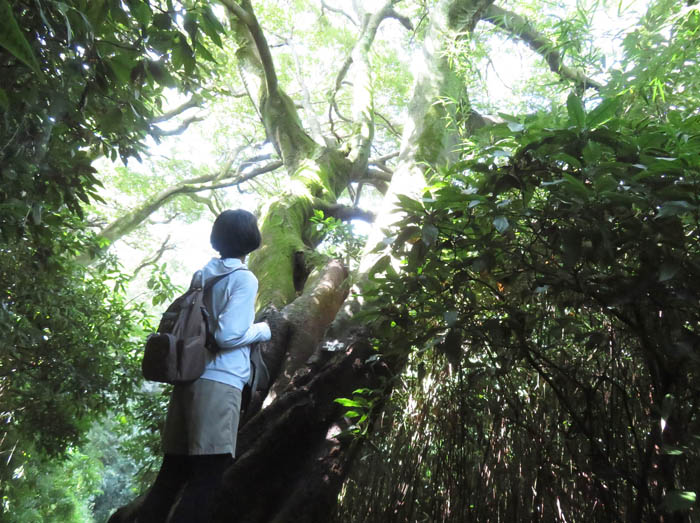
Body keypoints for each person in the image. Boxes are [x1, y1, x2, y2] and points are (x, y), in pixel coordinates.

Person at [137, 209, 271, 523]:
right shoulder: (243, 278)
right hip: (220, 382)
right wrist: (263, 330)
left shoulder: (203, 274)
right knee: (208, 476)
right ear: (249, 238)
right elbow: (228, 335)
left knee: (171, 475)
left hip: (189, 377)